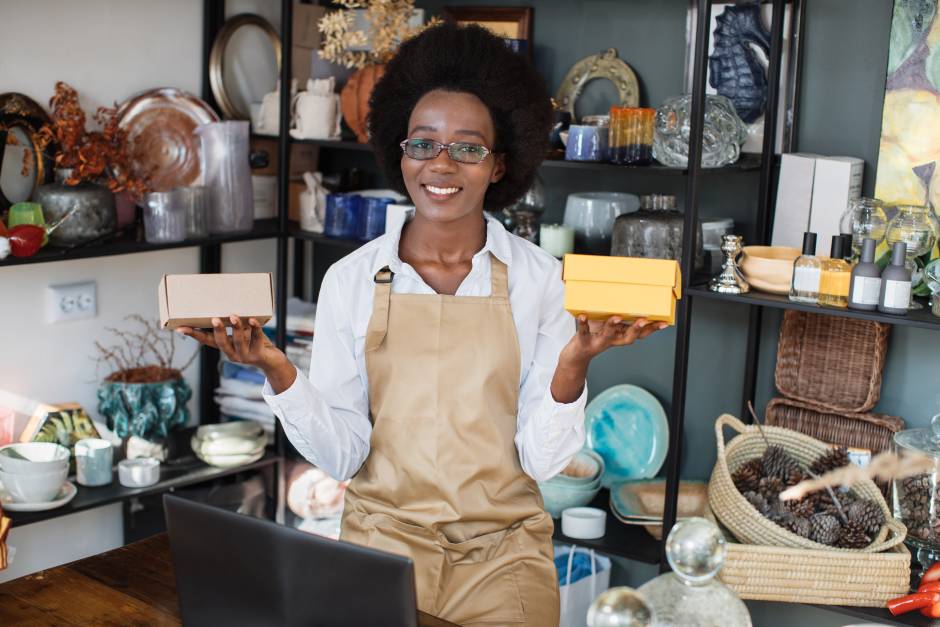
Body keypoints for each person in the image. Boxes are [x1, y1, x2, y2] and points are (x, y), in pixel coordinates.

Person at [178, 23, 665, 627]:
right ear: (399, 151)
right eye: (424, 144)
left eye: (467, 147)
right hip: (380, 553)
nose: (443, 164)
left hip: (503, 559)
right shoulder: (351, 280)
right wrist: (277, 369)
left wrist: (574, 364)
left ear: (498, 164)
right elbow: (343, 454)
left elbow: (540, 463)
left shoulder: (542, 281)